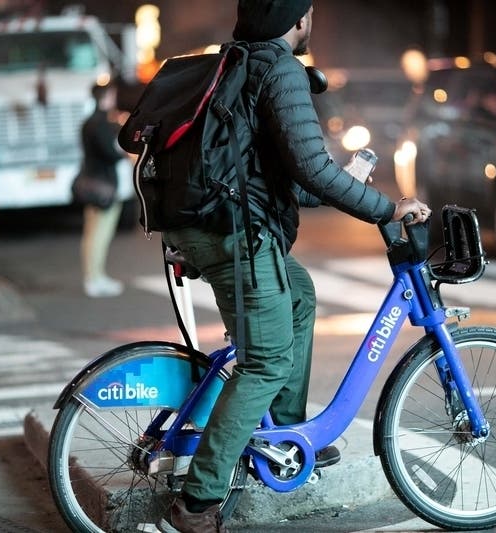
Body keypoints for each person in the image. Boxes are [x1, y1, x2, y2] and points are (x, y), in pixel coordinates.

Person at [157, 2, 431, 532]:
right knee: (265, 364)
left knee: (299, 292)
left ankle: (284, 435)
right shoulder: (280, 69)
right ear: (298, 18)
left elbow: (294, 180)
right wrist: (386, 208)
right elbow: (311, 166)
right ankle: (196, 504)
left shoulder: (236, 62)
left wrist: (341, 182)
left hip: (207, 224)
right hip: (236, 234)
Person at [79, 82, 126, 298]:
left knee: (93, 233)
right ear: (105, 97)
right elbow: (110, 152)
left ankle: (96, 276)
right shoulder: (100, 123)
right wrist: (123, 152)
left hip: (93, 181)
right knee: (98, 234)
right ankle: (94, 278)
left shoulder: (89, 122)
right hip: (103, 184)